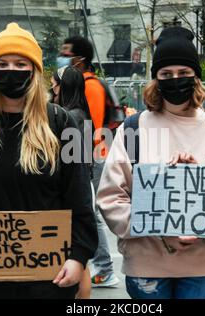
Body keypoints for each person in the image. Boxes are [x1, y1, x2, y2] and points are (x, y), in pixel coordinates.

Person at [0, 22, 97, 299]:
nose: (11, 71)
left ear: (34, 72)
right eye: (3, 63)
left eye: (21, 64)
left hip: (49, 280)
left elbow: (80, 196)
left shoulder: (63, 123)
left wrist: (78, 256)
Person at [97, 26, 205, 299]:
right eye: (166, 74)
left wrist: (200, 178)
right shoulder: (133, 130)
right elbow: (110, 198)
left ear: (196, 78)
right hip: (146, 268)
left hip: (200, 268)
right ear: (155, 79)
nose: (175, 80)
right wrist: (158, 229)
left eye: (183, 74)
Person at [58, 36, 120, 288]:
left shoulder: (90, 86)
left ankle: (104, 268)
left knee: (90, 211)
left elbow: (88, 127)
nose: (61, 55)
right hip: (88, 155)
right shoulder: (80, 83)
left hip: (93, 156)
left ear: (80, 59)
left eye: (66, 53)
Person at [50, 65, 94, 298]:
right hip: (85, 182)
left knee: (78, 257)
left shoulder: (67, 116)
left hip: (76, 186)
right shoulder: (82, 112)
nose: (52, 89)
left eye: (54, 84)